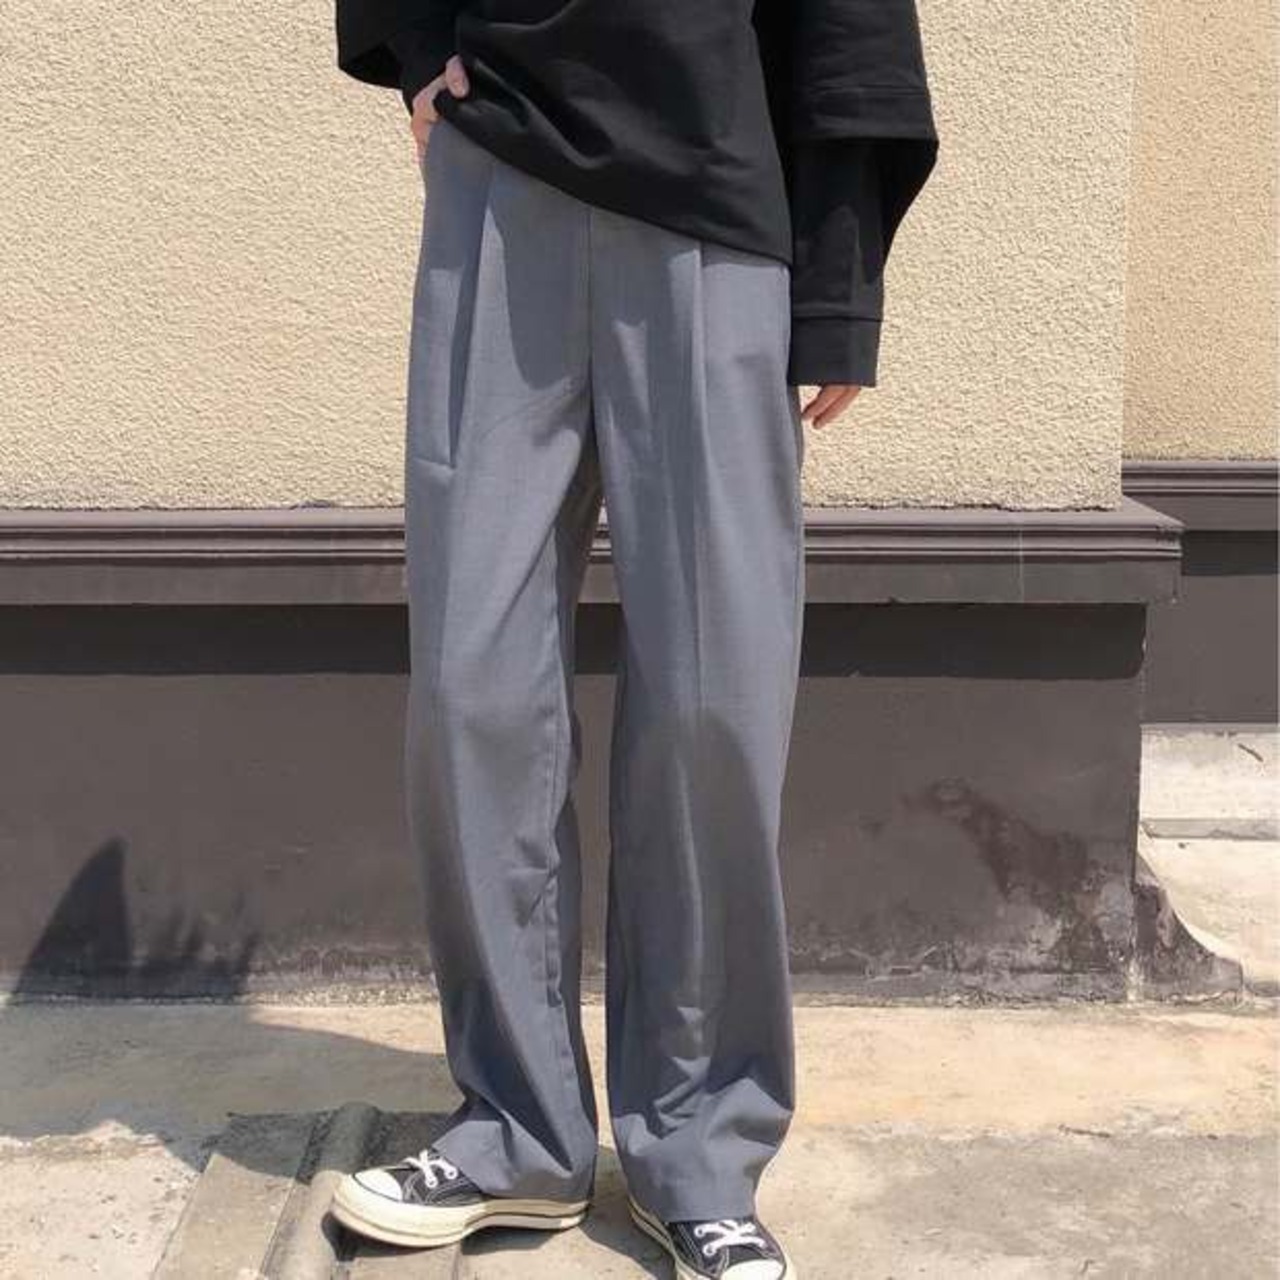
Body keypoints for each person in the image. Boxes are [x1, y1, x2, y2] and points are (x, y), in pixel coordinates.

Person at [329, 3, 937, 1275]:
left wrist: (837, 286)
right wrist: (417, 47)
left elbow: (849, 23)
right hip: (501, 180)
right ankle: (515, 1129)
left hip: (718, 202)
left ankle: (700, 1149)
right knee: (468, 686)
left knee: (716, 701)